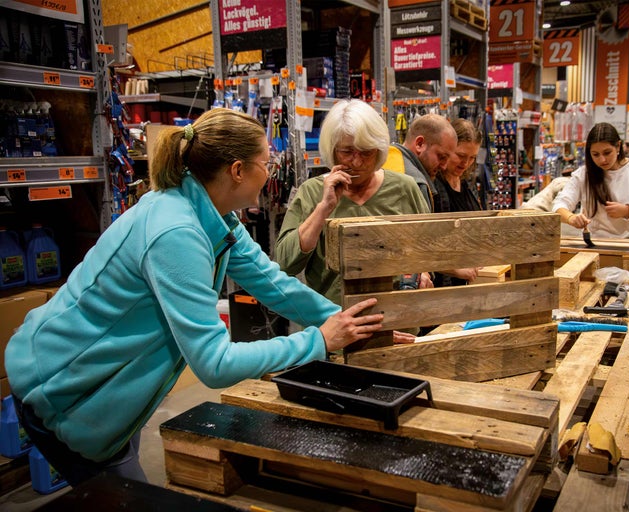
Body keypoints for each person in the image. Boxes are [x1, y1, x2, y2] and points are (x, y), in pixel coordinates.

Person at [4, 109, 384, 487]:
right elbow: (215, 363)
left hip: (106, 388)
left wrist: (350, 322)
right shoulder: (176, 232)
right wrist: (318, 340)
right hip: (62, 390)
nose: (270, 174)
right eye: (266, 163)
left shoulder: (214, 215)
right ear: (237, 171)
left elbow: (272, 282)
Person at [274, 99, 431, 342]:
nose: (356, 162)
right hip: (335, 335)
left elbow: (429, 247)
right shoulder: (312, 192)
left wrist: (424, 272)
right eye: (347, 152)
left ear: (379, 151)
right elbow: (285, 263)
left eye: (366, 153)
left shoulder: (405, 188)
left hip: (398, 331)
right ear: (332, 150)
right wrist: (323, 208)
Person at [552, 122, 629, 238]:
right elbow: (559, 204)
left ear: (618, 146)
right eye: (595, 154)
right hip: (595, 243)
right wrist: (571, 218)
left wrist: (628, 210)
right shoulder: (584, 174)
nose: (602, 160)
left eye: (607, 153)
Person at [432, 118, 482, 287]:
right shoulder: (433, 187)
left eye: (472, 158)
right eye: (461, 156)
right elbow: (425, 243)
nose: (466, 163)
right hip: (443, 284)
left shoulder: (468, 184)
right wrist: (453, 269)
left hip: (470, 280)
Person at [382, 113, 458, 211]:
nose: (444, 167)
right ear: (420, 144)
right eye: (441, 157)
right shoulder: (417, 184)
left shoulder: (382, 159)